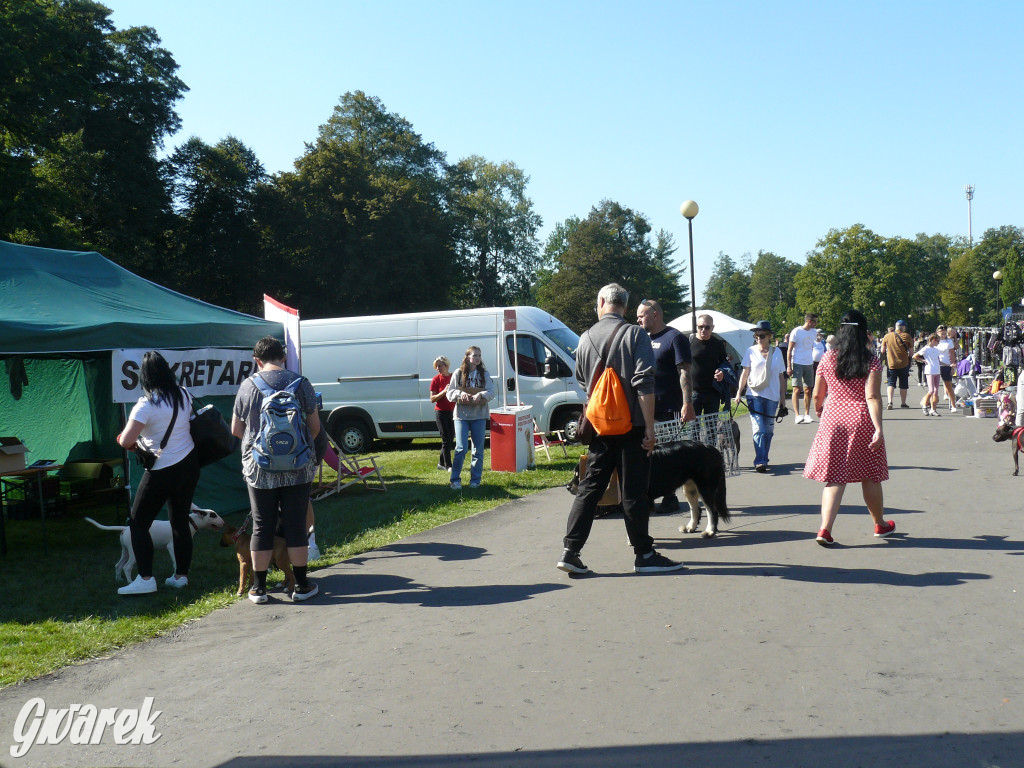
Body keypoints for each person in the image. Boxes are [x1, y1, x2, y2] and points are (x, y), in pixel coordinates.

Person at [557, 283, 684, 575]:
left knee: (590, 489)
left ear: (601, 302)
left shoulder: (585, 338)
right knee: (634, 490)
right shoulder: (635, 334)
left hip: (599, 429)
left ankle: (571, 550)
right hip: (633, 426)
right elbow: (644, 382)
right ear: (625, 308)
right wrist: (650, 428)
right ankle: (644, 555)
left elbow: (581, 381)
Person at [231, 336, 321, 604]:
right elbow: (314, 427)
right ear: (283, 357)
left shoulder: (248, 386)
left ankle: (259, 589)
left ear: (257, 360)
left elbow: (236, 430)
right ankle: (302, 586)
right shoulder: (301, 383)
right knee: (295, 525)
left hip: (260, 469)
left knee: (261, 525)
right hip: (298, 467)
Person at [804, 309, 895, 546]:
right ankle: (880, 524)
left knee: (834, 478)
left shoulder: (828, 357)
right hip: (862, 419)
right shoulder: (871, 360)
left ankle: (825, 529)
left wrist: (821, 411)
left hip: (834, 418)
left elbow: (817, 394)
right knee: (871, 475)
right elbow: (873, 397)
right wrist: (878, 429)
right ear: (864, 333)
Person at [115, 351, 201, 595]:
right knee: (180, 521)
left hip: (162, 469)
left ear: (144, 378)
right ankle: (181, 576)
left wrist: (123, 439)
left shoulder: (146, 404)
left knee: (138, 523)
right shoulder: (183, 394)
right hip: (189, 464)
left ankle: (145, 578)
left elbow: (127, 440)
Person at [636, 299, 695, 513]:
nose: (638, 319)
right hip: (644, 407)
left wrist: (687, 403)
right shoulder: (641, 338)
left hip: (668, 407)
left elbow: (685, 372)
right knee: (647, 453)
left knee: (666, 455)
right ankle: (649, 495)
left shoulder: (674, 338)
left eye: (641, 315)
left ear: (655, 314)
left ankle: (670, 497)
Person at [734, 321, 787, 472]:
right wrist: (739, 392)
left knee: (769, 430)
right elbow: (745, 373)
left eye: (762, 336)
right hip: (754, 395)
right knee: (759, 428)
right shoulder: (750, 351)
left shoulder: (777, 352)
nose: (758, 338)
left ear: (769, 336)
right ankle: (760, 460)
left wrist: (782, 400)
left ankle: (764, 457)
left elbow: (781, 377)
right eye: (756, 336)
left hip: (772, 397)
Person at [446, 346, 495, 490]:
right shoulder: (458, 373)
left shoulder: (484, 374)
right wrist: (459, 394)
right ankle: (455, 480)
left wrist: (481, 394)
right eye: (475, 355)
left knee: (478, 449)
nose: (478, 358)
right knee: (461, 448)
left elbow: (491, 393)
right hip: (462, 416)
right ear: (467, 357)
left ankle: (475, 480)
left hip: (479, 415)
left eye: (479, 355)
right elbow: (450, 394)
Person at [688, 313, 729, 416]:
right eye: (700, 327)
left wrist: (722, 373)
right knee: (693, 429)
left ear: (712, 328)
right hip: (694, 392)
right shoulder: (689, 342)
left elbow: (724, 363)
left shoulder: (718, 344)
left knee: (711, 429)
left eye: (707, 327)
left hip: (713, 392)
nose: (703, 330)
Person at [787, 313, 819, 424]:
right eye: (814, 321)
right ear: (809, 321)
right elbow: (789, 350)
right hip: (797, 362)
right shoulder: (796, 331)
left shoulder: (814, 332)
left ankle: (807, 414)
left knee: (808, 389)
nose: (816, 323)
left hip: (809, 362)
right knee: (797, 388)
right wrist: (789, 366)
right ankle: (797, 415)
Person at [429, 355, 456, 472]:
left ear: (446, 365)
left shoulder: (453, 377)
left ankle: (441, 462)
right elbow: (432, 399)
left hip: (453, 411)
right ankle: (448, 465)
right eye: (436, 366)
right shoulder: (435, 379)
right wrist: (444, 392)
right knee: (445, 438)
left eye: (440, 366)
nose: (438, 368)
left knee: (451, 438)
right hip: (440, 412)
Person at [880, 319, 914, 409]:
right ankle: (903, 403)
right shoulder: (907, 336)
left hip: (891, 364)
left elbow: (882, 350)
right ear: (903, 327)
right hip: (903, 364)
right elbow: (911, 352)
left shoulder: (887, 336)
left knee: (891, 383)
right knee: (903, 384)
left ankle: (890, 402)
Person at [913, 333, 944, 416]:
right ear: (933, 340)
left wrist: (948, 364)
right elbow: (915, 356)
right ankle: (924, 406)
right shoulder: (926, 349)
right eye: (938, 341)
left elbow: (938, 360)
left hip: (937, 370)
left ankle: (933, 409)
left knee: (936, 391)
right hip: (930, 370)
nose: (938, 343)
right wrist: (923, 361)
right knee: (931, 390)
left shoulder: (936, 349)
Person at [937, 327, 958, 412]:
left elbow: (952, 353)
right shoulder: (934, 340)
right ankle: (930, 404)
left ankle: (953, 405)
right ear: (937, 332)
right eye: (941, 333)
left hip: (946, 365)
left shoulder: (949, 341)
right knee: (934, 388)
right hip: (936, 365)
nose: (943, 335)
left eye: (944, 333)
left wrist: (952, 365)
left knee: (949, 386)